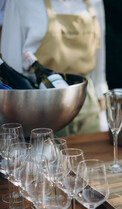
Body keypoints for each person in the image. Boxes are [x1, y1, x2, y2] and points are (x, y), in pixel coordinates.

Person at [1, 0, 109, 136]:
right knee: (49, 155)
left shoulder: (94, 2)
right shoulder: (21, 2)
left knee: (92, 154)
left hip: (86, 99)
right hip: (41, 103)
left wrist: (101, 93)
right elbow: (10, 61)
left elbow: (99, 50)